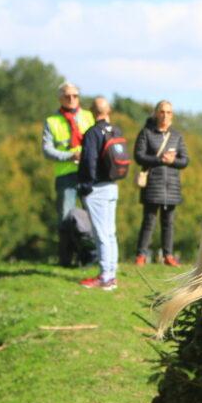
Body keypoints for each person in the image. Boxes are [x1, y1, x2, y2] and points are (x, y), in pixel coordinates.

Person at [42, 82, 95, 263]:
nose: (71, 99)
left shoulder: (89, 117)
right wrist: (69, 156)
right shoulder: (52, 121)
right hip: (66, 175)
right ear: (60, 98)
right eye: (67, 96)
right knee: (66, 218)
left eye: (75, 96)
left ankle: (89, 257)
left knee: (92, 216)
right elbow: (47, 150)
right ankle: (65, 259)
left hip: (88, 174)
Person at [133, 100, 189, 266]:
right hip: (152, 184)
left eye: (169, 112)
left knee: (169, 223)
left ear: (172, 115)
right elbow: (139, 156)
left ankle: (168, 256)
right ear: (156, 113)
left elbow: (185, 160)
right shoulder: (146, 133)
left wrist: (172, 161)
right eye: (162, 112)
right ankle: (141, 255)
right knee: (149, 221)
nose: (165, 115)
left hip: (172, 186)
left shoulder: (177, 136)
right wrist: (159, 159)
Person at [77, 97, 122, 290]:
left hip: (97, 188)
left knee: (101, 233)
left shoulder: (93, 133)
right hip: (112, 186)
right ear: (109, 110)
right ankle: (111, 273)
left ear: (91, 112)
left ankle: (105, 277)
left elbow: (89, 161)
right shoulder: (116, 131)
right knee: (110, 233)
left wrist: (85, 186)